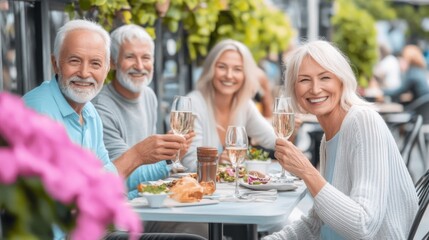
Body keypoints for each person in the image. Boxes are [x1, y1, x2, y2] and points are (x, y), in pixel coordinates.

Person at [264, 40, 418, 239]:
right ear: (294, 89)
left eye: (325, 77)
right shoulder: (328, 138)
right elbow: (315, 225)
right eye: (304, 80)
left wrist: (306, 171)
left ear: (341, 80)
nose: (315, 89)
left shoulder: (363, 121)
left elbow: (363, 226)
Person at [92, 24, 194, 199]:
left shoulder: (148, 95)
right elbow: (126, 176)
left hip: (146, 199)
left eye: (146, 57)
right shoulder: (101, 108)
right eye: (130, 57)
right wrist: (169, 159)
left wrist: (168, 149)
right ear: (113, 62)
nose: (139, 66)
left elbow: (148, 162)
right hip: (120, 208)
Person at [182, 39, 277, 172]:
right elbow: (187, 165)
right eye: (222, 67)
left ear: (245, 75)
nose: (229, 75)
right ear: (211, 68)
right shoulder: (192, 104)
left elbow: (274, 140)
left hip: (231, 190)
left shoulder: (244, 104)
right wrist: (216, 163)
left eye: (237, 69)